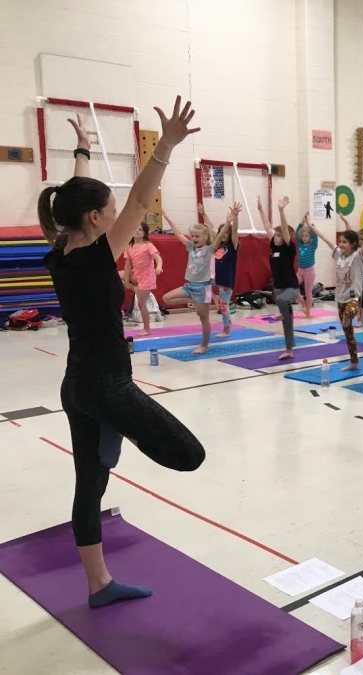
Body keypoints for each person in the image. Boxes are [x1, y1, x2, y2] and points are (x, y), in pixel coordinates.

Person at [40, 99, 205, 608]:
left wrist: (84, 148)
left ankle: (99, 586)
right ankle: (128, 427)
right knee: (188, 454)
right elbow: (139, 196)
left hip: (76, 385)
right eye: (108, 213)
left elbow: (76, 200)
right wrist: (168, 145)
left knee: (89, 485)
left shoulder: (60, 249)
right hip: (108, 386)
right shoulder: (95, 255)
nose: (119, 217)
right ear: (95, 218)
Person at [315, 211, 363, 370]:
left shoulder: (357, 256)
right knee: (348, 333)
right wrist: (312, 227)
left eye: (344, 242)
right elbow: (326, 239)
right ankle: (354, 362)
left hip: (353, 297)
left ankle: (351, 317)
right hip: (340, 299)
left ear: (353, 244)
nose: (341, 244)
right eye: (340, 241)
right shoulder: (338, 255)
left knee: (351, 313)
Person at [161, 205, 231, 354]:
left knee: (204, 319)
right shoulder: (191, 247)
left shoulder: (209, 250)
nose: (193, 239)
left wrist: (227, 223)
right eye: (192, 236)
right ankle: (193, 301)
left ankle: (204, 345)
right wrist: (166, 217)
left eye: (197, 236)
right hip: (189, 286)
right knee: (166, 298)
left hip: (202, 288)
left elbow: (218, 238)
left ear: (205, 237)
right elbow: (178, 234)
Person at [258, 196, 301, 360]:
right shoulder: (273, 246)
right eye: (275, 236)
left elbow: (283, 229)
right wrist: (261, 210)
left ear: (286, 236)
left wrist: (281, 210)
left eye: (279, 235)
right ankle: (289, 349)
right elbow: (267, 226)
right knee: (287, 323)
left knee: (282, 301)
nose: (276, 237)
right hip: (280, 287)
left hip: (291, 287)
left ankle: (283, 314)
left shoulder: (289, 249)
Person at [204, 201, 241, 337]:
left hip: (226, 281)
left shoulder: (233, 246)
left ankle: (226, 329)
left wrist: (235, 216)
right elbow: (211, 227)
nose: (224, 235)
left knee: (224, 305)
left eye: (227, 233)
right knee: (202, 286)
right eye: (222, 233)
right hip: (216, 279)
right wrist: (203, 213)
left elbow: (235, 230)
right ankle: (214, 297)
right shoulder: (218, 246)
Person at [121, 222, 163, 336]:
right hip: (136, 275)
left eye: (140, 229)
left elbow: (157, 258)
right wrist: (126, 280)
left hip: (146, 277)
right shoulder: (129, 246)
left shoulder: (148, 245)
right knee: (116, 275)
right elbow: (127, 265)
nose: (137, 231)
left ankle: (147, 328)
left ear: (145, 233)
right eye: (135, 228)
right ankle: (135, 288)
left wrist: (159, 267)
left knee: (141, 304)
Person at [295, 212, 318, 318]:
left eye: (306, 236)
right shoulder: (300, 244)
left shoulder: (312, 245)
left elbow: (315, 233)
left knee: (308, 292)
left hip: (309, 272)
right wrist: (301, 222)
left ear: (310, 237)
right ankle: (302, 301)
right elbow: (296, 234)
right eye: (303, 236)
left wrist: (309, 223)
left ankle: (308, 311)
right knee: (292, 285)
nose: (304, 238)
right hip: (300, 271)